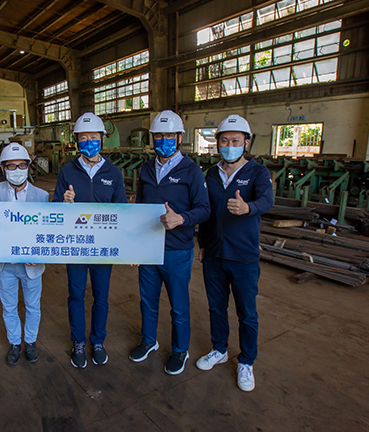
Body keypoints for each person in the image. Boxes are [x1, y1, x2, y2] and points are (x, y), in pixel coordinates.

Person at [129, 110, 210, 375]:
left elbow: (204, 209)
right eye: (159, 136)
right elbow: (139, 208)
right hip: (150, 247)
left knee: (178, 304)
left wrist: (182, 219)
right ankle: (149, 341)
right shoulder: (146, 168)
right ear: (152, 138)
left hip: (177, 249)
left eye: (170, 136)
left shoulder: (192, 171)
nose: (164, 140)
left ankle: (180, 351)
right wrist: (136, 245)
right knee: (148, 300)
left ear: (180, 137)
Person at [196, 114, 273, 392]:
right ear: (217, 144)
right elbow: (206, 212)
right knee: (216, 306)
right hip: (214, 255)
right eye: (225, 140)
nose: (229, 145)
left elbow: (266, 200)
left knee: (246, 312)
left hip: (243, 256)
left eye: (235, 141)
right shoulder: (212, 174)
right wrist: (203, 244)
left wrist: (248, 208)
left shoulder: (258, 173)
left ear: (246, 142)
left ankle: (247, 360)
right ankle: (219, 349)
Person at [52, 112, 127, 369]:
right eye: (83, 138)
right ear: (76, 142)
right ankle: (78, 342)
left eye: (93, 137)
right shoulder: (67, 171)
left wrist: (129, 248)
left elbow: (123, 212)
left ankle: (97, 341)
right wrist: (65, 203)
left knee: (101, 296)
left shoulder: (114, 173)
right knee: (75, 294)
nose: (89, 142)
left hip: (103, 248)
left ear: (102, 139)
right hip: (75, 246)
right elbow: (54, 210)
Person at [0, 142, 49, 366]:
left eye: (21, 165)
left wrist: (38, 254)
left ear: (28, 166)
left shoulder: (42, 195)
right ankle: (15, 343)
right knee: (8, 306)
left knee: (32, 306)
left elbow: (47, 231)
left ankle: (31, 341)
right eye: (11, 166)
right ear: (3, 168)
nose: (16, 170)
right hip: (4, 264)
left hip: (31, 264)